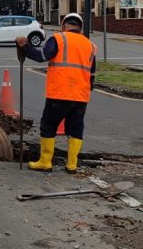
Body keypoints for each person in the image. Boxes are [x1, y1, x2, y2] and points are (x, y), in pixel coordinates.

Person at [16, 12, 97, 173]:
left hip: (60, 92)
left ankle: (45, 162)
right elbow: (92, 73)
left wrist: (25, 46)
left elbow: (42, 56)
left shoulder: (59, 38)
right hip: (80, 95)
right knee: (75, 128)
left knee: (48, 125)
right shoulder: (90, 45)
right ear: (80, 28)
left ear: (63, 25)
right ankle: (72, 164)